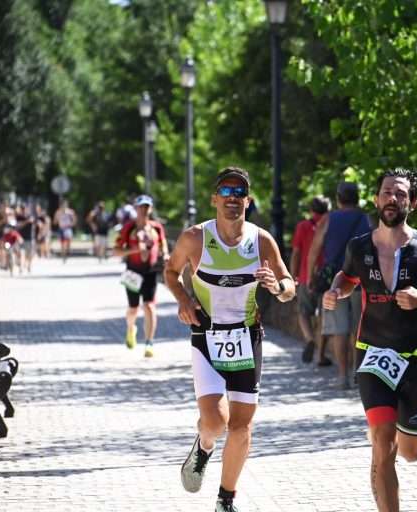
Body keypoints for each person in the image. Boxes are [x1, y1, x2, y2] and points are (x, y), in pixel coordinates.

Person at [322, 168, 417, 512]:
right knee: (384, 444)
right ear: (376, 199)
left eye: (400, 194)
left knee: (410, 453)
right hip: (373, 353)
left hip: (416, 358)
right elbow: (348, 276)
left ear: (411, 203)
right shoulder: (359, 246)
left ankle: (383, 454)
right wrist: (336, 291)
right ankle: (382, 460)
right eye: (386, 192)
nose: (392, 199)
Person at [164, 166, 295, 512]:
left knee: (241, 425)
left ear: (248, 201)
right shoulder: (195, 238)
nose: (232, 198)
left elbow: (289, 287)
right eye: (225, 192)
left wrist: (277, 286)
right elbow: (170, 271)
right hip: (206, 336)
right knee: (216, 422)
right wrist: (183, 300)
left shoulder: (260, 240)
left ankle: (226, 499)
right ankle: (204, 446)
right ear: (214, 199)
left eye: (239, 193)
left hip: (247, 338)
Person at [307, 182, 371, 388]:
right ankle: (357, 373)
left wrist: (310, 277)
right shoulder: (367, 219)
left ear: (338, 199)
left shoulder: (328, 219)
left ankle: (342, 376)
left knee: (339, 330)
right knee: (358, 330)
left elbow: (314, 249)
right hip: (363, 280)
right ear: (357, 198)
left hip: (336, 282)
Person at [114, 194, 169, 358]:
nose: (143, 211)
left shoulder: (157, 227)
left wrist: (165, 255)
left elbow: (163, 245)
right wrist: (135, 250)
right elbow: (116, 251)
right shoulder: (128, 228)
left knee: (150, 306)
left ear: (150, 209)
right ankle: (131, 328)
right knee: (133, 309)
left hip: (150, 271)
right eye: (140, 207)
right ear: (136, 209)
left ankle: (149, 343)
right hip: (132, 271)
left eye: (146, 207)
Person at [290, 195, 331, 363]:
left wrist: (293, 276)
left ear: (311, 210)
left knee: (303, 312)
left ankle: (309, 339)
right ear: (328, 210)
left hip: (306, 276)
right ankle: (321, 356)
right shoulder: (331, 225)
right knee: (324, 317)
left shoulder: (303, 226)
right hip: (328, 278)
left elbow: (296, 253)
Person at [15, 204, 36, 273]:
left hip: (29, 238)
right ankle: (21, 268)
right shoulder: (18, 217)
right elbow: (18, 226)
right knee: (21, 253)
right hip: (21, 238)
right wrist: (27, 221)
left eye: (25, 209)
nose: (24, 210)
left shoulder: (30, 216)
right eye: (22, 209)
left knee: (29, 254)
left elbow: (33, 222)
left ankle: (29, 266)